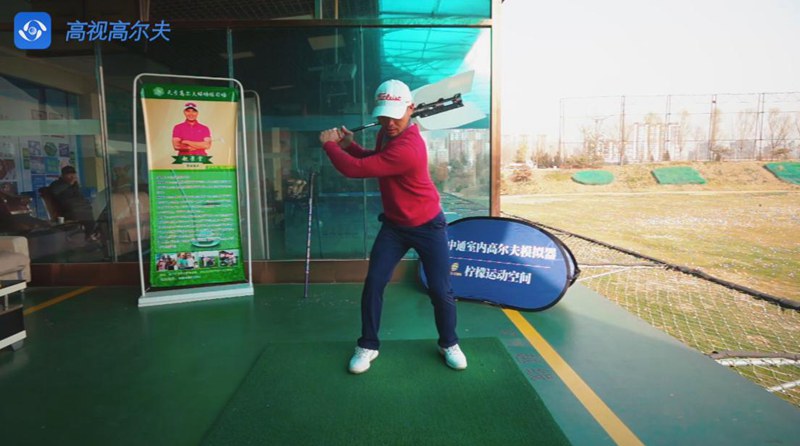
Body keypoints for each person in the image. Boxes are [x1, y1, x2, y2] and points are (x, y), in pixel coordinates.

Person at [319, 79, 467, 374]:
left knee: (440, 290)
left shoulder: (409, 147)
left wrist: (329, 145)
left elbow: (355, 169)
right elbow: (375, 160)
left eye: (396, 115)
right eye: (384, 116)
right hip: (395, 227)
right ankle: (368, 344)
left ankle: (449, 343)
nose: (388, 122)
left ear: (410, 109)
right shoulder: (387, 135)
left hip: (428, 225)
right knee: (374, 283)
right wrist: (350, 146)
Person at [48, 165, 99, 240]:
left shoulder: (74, 185)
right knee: (83, 212)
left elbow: (80, 198)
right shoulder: (57, 184)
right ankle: (90, 234)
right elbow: (56, 193)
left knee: (89, 209)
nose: (72, 176)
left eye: (73, 174)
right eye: (69, 174)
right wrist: (69, 184)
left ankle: (91, 233)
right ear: (63, 175)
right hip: (66, 210)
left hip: (78, 209)